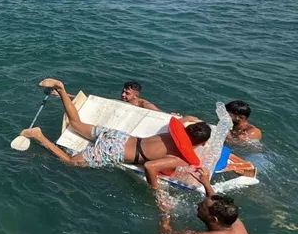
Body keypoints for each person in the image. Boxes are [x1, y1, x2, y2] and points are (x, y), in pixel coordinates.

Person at [20, 78, 212, 189]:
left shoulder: (175, 129)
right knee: (70, 163)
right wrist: (156, 191)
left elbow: (189, 117)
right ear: (201, 144)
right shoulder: (181, 157)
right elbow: (151, 167)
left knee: (76, 123)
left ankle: (61, 89)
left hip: (118, 136)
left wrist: (189, 119)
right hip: (115, 151)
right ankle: (38, 135)